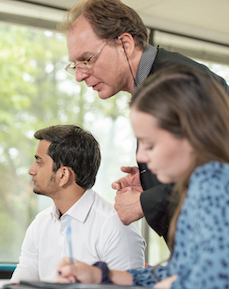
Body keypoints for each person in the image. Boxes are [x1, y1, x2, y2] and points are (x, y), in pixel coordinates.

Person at [58, 0, 229, 243]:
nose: (79, 75)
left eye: (87, 59)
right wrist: (154, 178)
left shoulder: (178, 84)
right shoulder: (156, 84)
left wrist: (144, 202)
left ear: (124, 44)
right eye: (75, 64)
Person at [56, 66, 229, 288]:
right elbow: (175, 272)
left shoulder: (216, 186)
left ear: (191, 134)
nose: (140, 156)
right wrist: (100, 276)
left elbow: (210, 280)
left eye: (150, 144)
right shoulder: (195, 188)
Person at [0, 124, 145, 283]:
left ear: (63, 174)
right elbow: (22, 283)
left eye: (39, 162)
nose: (31, 170)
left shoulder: (115, 226)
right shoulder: (41, 223)